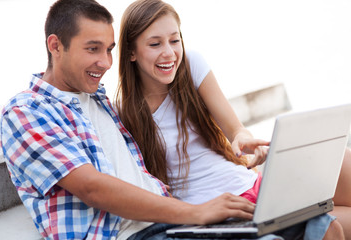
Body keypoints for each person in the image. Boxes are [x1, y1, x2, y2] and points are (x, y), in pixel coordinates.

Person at [115, 0, 350, 238]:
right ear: (131, 51)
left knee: (342, 158)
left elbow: (236, 130)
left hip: (256, 187)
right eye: (155, 44)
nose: (169, 52)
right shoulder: (122, 114)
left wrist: (244, 141)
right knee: (331, 228)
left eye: (175, 40)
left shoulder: (191, 64)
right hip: (227, 213)